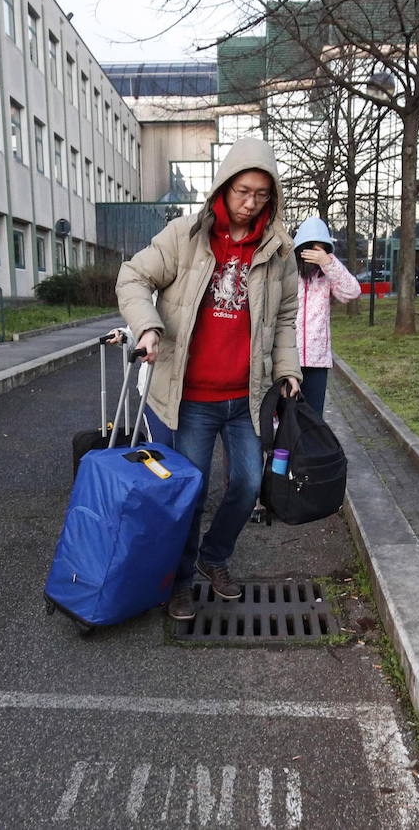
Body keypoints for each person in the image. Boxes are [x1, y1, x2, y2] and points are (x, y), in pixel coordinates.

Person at [116, 137, 301, 621]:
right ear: (224, 185)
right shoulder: (185, 236)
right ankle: (177, 581)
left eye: (262, 194)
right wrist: (148, 327)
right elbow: (132, 277)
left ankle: (213, 557)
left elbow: (284, 318)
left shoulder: (278, 251)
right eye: (243, 191)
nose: (250, 203)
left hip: (245, 396)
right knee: (187, 494)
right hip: (189, 399)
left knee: (247, 484)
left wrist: (288, 371)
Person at [291, 216, 360, 414]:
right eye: (311, 249)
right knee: (286, 419)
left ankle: (311, 447)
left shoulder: (327, 275)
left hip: (317, 361)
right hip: (287, 359)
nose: (315, 255)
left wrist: (329, 263)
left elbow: (351, 292)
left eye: (321, 249)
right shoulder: (287, 272)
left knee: (313, 420)